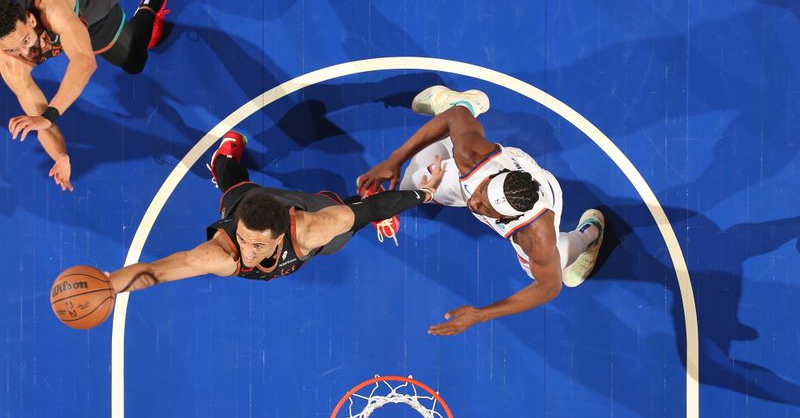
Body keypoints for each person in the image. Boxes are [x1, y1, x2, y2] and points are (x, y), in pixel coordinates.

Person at [357, 85, 605, 336]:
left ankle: (588, 235)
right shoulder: (473, 157)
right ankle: (457, 100)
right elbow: (455, 118)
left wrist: (481, 314)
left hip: (546, 195)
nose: (474, 205)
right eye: (481, 196)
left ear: (508, 217)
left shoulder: (535, 234)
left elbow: (548, 288)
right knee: (411, 185)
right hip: (493, 175)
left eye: (484, 208)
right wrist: (394, 159)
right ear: (488, 180)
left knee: (543, 265)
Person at [108, 131, 444, 293]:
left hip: (309, 217)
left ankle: (345, 204)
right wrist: (109, 286)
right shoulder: (221, 254)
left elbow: (373, 207)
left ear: (279, 238)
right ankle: (222, 160)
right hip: (250, 199)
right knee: (234, 187)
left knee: (348, 217)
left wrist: (425, 193)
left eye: (257, 246)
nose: (247, 253)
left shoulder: (313, 229)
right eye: (244, 241)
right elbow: (154, 272)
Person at [0, 0, 170, 191]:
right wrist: (60, 155)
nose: (25, 54)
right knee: (135, 61)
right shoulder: (10, 63)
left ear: (32, 19)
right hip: (91, 24)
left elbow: (84, 61)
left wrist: (48, 116)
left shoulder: (51, 7)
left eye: (25, 41)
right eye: (13, 50)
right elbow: (41, 121)